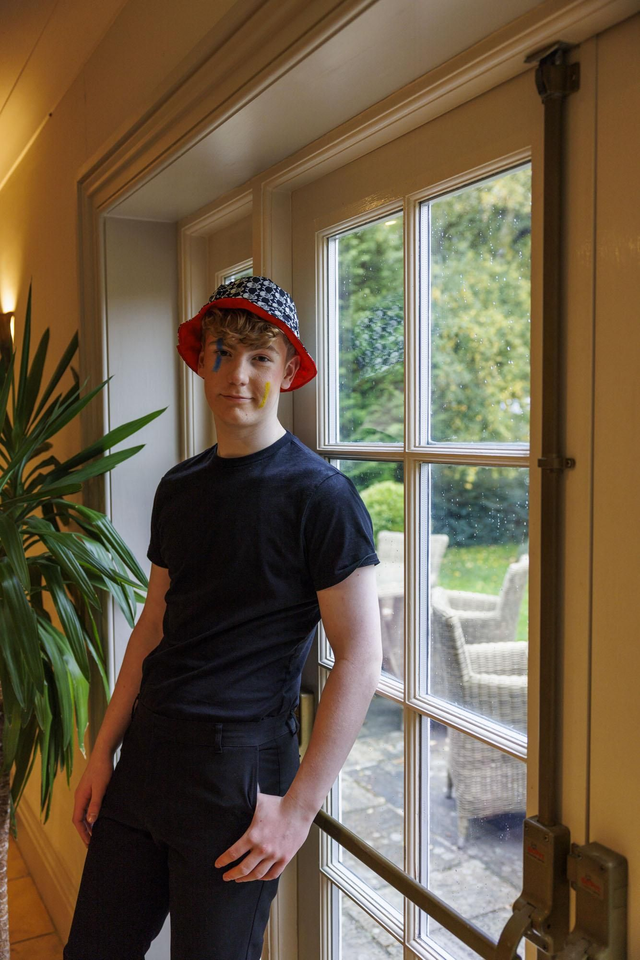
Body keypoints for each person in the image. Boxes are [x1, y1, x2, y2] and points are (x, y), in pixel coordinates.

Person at [63, 276, 383, 960]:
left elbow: (360, 655)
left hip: (236, 772)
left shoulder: (322, 496)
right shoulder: (179, 487)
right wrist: (102, 753)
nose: (237, 374)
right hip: (146, 756)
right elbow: (153, 626)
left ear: (288, 373)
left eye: (260, 357)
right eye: (223, 352)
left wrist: (298, 810)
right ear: (201, 361)